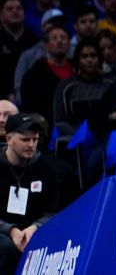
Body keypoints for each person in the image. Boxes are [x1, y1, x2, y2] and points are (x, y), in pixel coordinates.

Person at [0, 114, 59, 273]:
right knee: (5, 248)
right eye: (25, 140)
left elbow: (52, 212)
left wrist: (35, 227)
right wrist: (11, 231)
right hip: (3, 230)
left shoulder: (47, 169)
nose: (31, 145)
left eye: (35, 139)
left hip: (33, 231)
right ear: (9, 138)